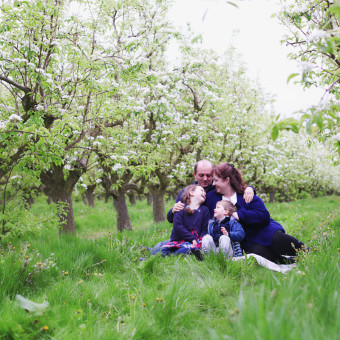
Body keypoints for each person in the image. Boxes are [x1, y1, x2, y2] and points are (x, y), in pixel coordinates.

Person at [205, 163, 307, 264]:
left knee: (278, 239)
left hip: (262, 230)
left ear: (227, 180)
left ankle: (310, 254)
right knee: (262, 255)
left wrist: (240, 214)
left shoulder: (246, 195)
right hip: (244, 240)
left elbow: (264, 216)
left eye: (216, 180)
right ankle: (292, 262)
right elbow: (195, 192)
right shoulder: (211, 197)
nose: (213, 183)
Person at [149, 159, 255, 255]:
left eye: (208, 175)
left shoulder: (217, 189)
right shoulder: (187, 192)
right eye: (201, 175)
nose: (205, 179)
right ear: (195, 174)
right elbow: (173, 219)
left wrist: (250, 188)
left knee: (178, 251)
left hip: (208, 236)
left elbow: (234, 185)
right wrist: (172, 211)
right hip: (187, 236)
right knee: (157, 250)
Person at [161, 184, 210, 260]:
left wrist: (199, 241)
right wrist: (192, 238)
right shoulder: (181, 207)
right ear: (191, 192)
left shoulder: (204, 210)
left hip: (192, 243)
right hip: (177, 241)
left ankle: (191, 255)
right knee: (163, 251)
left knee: (184, 251)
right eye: (201, 190)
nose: (205, 193)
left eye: (205, 192)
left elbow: (204, 229)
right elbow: (177, 227)